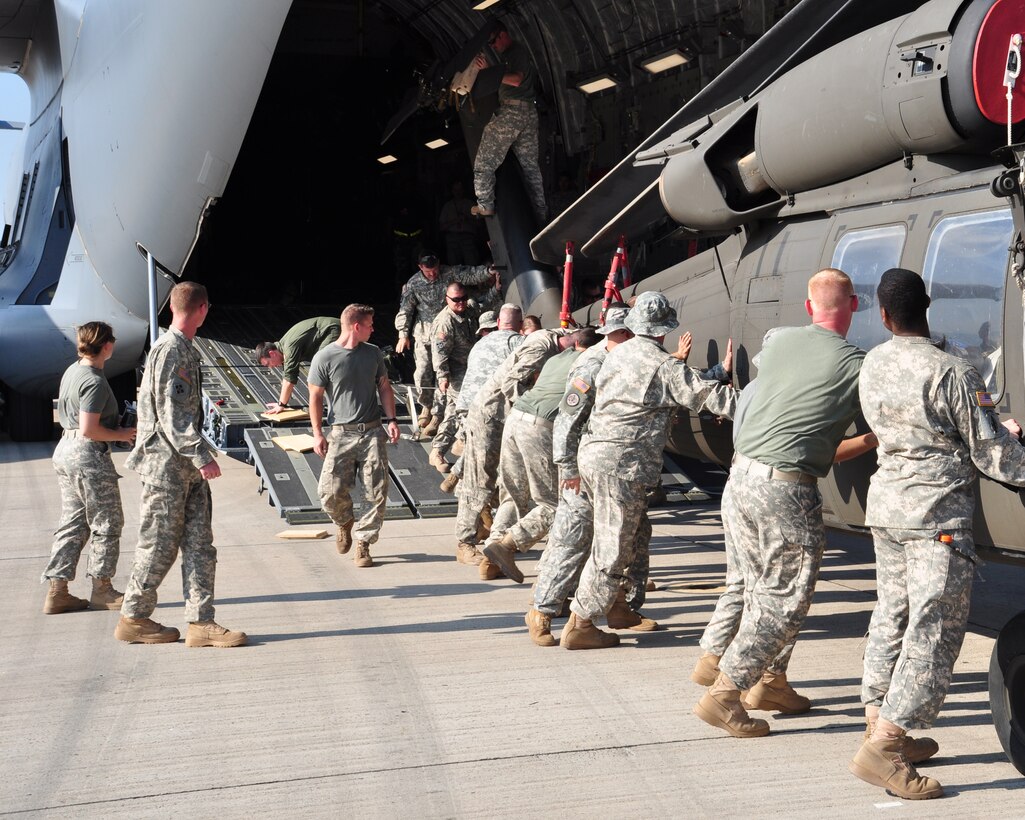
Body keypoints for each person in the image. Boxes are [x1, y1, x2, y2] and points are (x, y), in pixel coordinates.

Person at [849, 268, 1025, 800]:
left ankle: (878, 721)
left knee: (893, 616)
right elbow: (990, 453)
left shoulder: (873, 362)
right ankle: (887, 746)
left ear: (882, 315)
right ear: (928, 307)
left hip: (887, 509)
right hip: (934, 519)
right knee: (936, 631)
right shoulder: (953, 370)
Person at [691, 269, 867, 737]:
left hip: (740, 480)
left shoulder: (781, 342)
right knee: (784, 598)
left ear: (809, 308)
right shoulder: (857, 364)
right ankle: (726, 694)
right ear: (854, 305)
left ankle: (771, 680)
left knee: (759, 588)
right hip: (784, 489)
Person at [559, 293, 738, 650]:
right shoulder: (662, 365)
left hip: (594, 456)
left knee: (620, 537)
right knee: (613, 547)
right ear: (663, 329)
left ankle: (614, 608)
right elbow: (707, 396)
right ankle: (581, 623)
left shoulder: (615, 354)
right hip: (622, 466)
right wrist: (761, 405)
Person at [116, 282, 246, 647]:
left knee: (200, 544)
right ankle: (134, 617)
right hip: (167, 467)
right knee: (158, 544)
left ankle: (201, 622)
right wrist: (201, 455)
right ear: (203, 308)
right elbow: (172, 415)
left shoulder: (182, 348)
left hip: (182, 467)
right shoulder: (172, 351)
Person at [481, 327, 601, 582]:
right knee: (555, 505)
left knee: (514, 495)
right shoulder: (589, 363)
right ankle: (509, 544)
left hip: (516, 420)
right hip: (541, 428)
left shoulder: (556, 358)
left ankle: (490, 557)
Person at [40, 322, 137, 614]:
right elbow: (89, 429)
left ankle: (57, 591)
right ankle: (102, 590)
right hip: (87, 456)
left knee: (74, 522)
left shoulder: (74, 371)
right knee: (107, 522)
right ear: (106, 345)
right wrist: (122, 434)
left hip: (65, 452)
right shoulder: (94, 380)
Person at [310, 304, 401, 568]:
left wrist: (392, 419)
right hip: (341, 433)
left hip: (372, 431)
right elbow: (314, 397)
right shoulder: (324, 358)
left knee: (376, 492)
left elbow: (384, 387)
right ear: (356, 326)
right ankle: (344, 521)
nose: (374, 329)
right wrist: (317, 434)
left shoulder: (373, 354)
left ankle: (363, 543)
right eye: (370, 325)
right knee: (328, 492)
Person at [394, 251, 497, 434]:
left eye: (435, 270)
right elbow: (405, 310)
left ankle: (438, 414)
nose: (433, 274)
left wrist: (489, 271)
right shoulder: (414, 284)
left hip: (451, 331)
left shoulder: (449, 274)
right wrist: (403, 334)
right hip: (426, 334)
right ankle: (426, 406)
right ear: (420, 267)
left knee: (446, 374)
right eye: (428, 271)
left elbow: (470, 274)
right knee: (423, 373)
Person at [470, 23, 546, 223]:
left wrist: (491, 72)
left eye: (494, 41)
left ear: (503, 35)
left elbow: (516, 80)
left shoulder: (515, 51)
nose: (493, 46)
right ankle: (540, 213)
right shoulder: (509, 56)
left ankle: (485, 204)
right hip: (527, 114)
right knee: (530, 168)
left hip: (513, 112)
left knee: (483, 162)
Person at [429, 282, 480, 473]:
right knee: (463, 410)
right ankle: (461, 444)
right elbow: (439, 353)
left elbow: (483, 304)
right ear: (447, 299)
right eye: (456, 300)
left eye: (463, 298)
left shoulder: (468, 310)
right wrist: (442, 377)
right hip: (456, 370)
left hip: (471, 369)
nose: (461, 303)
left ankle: (437, 451)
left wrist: (496, 288)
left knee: (453, 412)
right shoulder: (445, 322)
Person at [255, 316, 341, 413]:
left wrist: (281, 405)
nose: (270, 367)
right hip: (329, 329)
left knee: (321, 365)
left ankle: (332, 407)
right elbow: (286, 377)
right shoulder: (283, 347)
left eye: (268, 363)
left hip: (331, 329)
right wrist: (281, 401)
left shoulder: (289, 349)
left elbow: (289, 380)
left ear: (272, 353)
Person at [438, 181, 480, 265]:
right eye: (455, 190)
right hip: (452, 238)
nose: (458, 192)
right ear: (452, 191)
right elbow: (441, 227)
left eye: (460, 189)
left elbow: (479, 224)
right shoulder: (447, 206)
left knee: (472, 264)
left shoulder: (471, 204)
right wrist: (455, 221)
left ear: (463, 190)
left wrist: (467, 219)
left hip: (468, 237)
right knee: (454, 266)